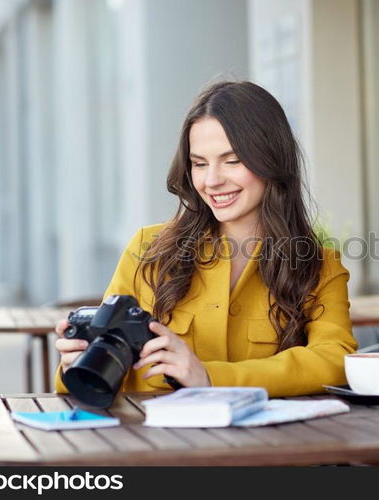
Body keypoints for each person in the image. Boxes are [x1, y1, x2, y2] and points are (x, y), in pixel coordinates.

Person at [54, 80, 357, 397]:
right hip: (156, 441)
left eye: (232, 161)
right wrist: (74, 364)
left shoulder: (319, 266)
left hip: (265, 444)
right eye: (199, 164)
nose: (212, 181)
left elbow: (335, 358)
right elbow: (84, 377)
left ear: (271, 160)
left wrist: (208, 376)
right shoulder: (148, 248)